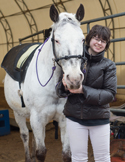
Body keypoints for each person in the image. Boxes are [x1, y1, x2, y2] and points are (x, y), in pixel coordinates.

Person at [56, 24, 117, 162]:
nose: (99, 43)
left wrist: (83, 90)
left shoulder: (109, 65)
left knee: (102, 158)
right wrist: (63, 86)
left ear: (106, 45)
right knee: (78, 158)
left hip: (99, 119)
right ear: (89, 39)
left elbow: (109, 94)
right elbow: (59, 90)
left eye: (103, 41)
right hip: (75, 118)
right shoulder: (73, 60)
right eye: (96, 38)